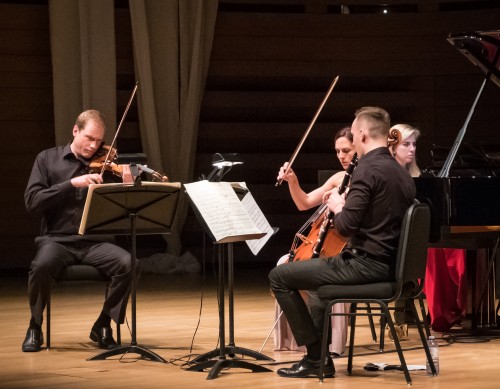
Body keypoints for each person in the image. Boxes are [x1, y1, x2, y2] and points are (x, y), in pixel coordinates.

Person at [269, 106, 415, 378]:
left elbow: (346, 227)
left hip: (366, 265)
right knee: (317, 287)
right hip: (392, 266)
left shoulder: (367, 170)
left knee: (279, 276)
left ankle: (315, 359)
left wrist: (337, 205)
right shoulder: (401, 174)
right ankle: (319, 358)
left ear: (361, 134)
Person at [22, 109, 132, 352]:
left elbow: (124, 209)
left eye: (99, 141)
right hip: (57, 240)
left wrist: (127, 187)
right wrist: (71, 184)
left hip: (95, 242)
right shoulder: (47, 159)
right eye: (89, 138)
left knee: (128, 263)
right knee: (41, 266)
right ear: (75, 130)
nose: (94, 146)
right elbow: (32, 201)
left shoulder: (106, 167)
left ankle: (103, 324)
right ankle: (35, 325)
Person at [274, 127, 355, 356]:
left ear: (358, 147)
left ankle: (325, 345)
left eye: (346, 150)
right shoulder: (339, 178)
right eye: (337, 151)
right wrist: (293, 181)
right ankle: (300, 340)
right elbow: (305, 202)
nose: (341, 156)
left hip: (348, 249)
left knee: (317, 272)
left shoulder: (366, 180)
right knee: (283, 263)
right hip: (329, 245)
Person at [389, 124, 467, 333]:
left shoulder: (422, 177)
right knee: (428, 251)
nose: (412, 149)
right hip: (391, 238)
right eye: (406, 144)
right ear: (393, 147)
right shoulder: (387, 176)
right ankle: (407, 314)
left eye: (414, 144)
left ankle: (451, 308)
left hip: (417, 238)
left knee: (452, 248)